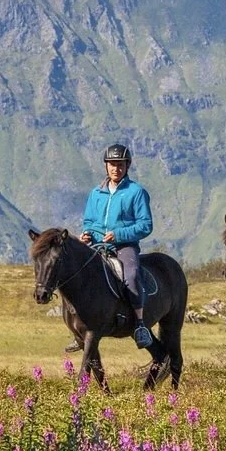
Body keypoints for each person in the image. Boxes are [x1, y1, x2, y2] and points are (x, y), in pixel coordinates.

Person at [68, 143, 154, 351]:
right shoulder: (96, 193)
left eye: (120, 164)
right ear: (106, 166)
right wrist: (87, 233)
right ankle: (79, 331)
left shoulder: (136, 192)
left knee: (131, 276)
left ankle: (140, 325)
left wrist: (119, 234)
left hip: (124, 246)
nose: (116, 168)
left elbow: (146, 225)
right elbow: (89, 220)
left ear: (127, 166)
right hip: (97, 245)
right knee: (76, 275)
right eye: (112, 164)